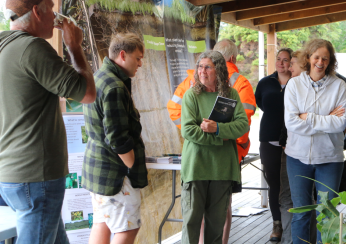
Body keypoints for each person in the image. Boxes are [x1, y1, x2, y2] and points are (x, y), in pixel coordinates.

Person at [0, 0, 96, 244]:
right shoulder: (32, 48)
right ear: (37, 11)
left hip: (10, 173)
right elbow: (87, 93)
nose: (56, 17)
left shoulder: (5, 48)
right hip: (36, 175)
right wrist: (74, 46)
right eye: (52, 10)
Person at [167, 39, 256, 244]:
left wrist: (217, 129)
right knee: (191, 223)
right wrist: (221, 138)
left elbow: (243, 125)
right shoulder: (191, 96)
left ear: (219, 70)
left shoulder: (231, 93)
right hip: (196, 167)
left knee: (216, 226)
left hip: (222, 169)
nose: (202, 71)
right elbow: (189, 131)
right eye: (200, 67)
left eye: (208, 67)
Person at [82, 33, 147, 244]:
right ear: (122, 55)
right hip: (116, 175)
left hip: (98, 169)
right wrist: (131, 164)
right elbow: (117, 138)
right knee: (127, 229)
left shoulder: (97, 77)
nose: (140, 63)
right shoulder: (115, 86)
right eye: (137, 58)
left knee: (102, 224)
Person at [284, 39, 346, 244]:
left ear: (330, 62)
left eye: (325, 58)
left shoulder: (339, 85)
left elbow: (340, 124)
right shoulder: (294, 84)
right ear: (308, 58)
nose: (320, 62)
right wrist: (325, 119)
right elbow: (291, 123)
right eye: (316, 57)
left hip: (330, 159)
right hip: (297, 158)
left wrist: (308, 117)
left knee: (327, 214)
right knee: (301, 213)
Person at [255, 48, 293, 241]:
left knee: (291, 183)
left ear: (292, 63)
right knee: (274, 183)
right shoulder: (265, 83)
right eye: (278, 59)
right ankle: (277, 224)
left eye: (285, 60)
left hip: (293, 140)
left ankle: (292, 223)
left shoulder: (298, 82)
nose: (281, 63)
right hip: (268, 137)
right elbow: (260, 102)